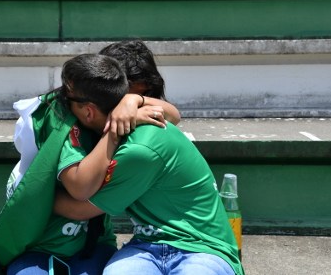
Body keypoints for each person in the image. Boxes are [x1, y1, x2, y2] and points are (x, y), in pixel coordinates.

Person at [0, 43, 180, 274]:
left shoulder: (122, 113)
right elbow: (79, 191)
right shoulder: (64, 117)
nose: (130, 106)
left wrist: (132, 103)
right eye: (126, 95)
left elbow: (173, 115)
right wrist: (34, 196)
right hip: (42, 244)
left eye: (145, 96)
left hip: (92, 242)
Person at [54, 53, 245, 274]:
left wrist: (31, 195)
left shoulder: (138, 151)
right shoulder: (124, 133)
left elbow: (78, 207)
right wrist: (132, 101)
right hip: (145, 245)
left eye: (67, 99)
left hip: (203, 247)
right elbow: (173, 113)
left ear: (88, 111)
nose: (62, 104)